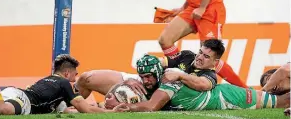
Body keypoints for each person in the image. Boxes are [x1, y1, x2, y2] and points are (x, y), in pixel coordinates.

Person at [0, 46, 127, 115]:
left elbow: (70, 111)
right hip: (22, 101)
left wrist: (101, 104)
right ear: (66, 74)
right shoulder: (64, 84)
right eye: (75, 75)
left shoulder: (53, 87)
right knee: (2, 111)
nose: (76, 80)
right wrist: (111, 112)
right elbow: (85, 110)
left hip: (15, 95)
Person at [76, 38, 233, 105]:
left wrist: (179, 75)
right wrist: (144, 66)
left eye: (206, 56)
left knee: (107, 106)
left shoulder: (209, 77)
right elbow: (159, 62)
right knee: (85, 78)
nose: (199, 57)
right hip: (141, 80)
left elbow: (202, 85)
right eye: (200, 52)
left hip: (149, 96)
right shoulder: (187, 56)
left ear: (215, 62)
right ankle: (65, 107)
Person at [106, 55, 290, 112]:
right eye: (141, 77)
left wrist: (126, 108)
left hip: (228, 97)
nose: (145, 81)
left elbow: (152, 106)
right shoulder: (154, 81)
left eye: (148, 77)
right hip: (222, 93)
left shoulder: (168, 82)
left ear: (157, 73)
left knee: (282, 102)